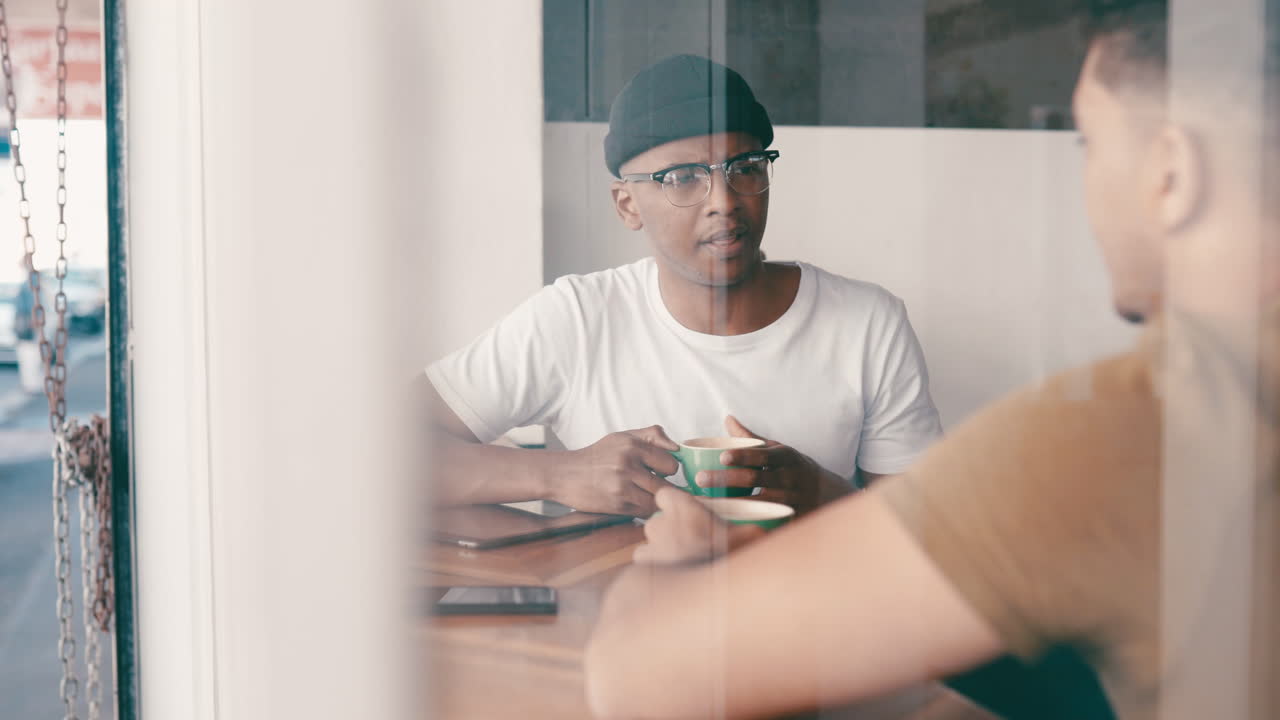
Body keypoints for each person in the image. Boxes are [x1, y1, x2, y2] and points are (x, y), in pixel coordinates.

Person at [585, 2, 1278, 719]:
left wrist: (677, 557)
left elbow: (641, 676)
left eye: (1090, 144)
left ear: (1170, 173)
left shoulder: (1130, 437)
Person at [422, 54, 942, 516]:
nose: (724, 200)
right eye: (683, 177)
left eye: (745, 167)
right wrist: (559, 474)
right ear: (627, 205)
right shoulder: (578, 318)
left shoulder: (867, 323)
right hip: (620, 594)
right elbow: (390, 451)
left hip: (803, 595)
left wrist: (820, 493)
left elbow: (928, 536)